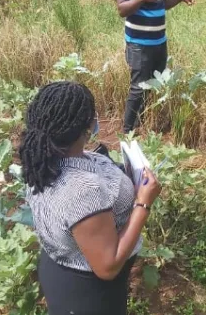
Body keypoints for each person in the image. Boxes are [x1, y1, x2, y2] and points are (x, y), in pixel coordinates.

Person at [21, 81, 162, 315]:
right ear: (86, 127)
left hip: (60, 266)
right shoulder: (83, 190)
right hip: (89, 293)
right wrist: (144, 202)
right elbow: (107, 266)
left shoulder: (44, 159)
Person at [116, 0, 195, 134]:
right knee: (138, 88)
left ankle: (143, 123)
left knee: (154, 84)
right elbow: (122, 9)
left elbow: (159, 4)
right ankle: (128, 132)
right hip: (139, 44)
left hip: (159, 41)